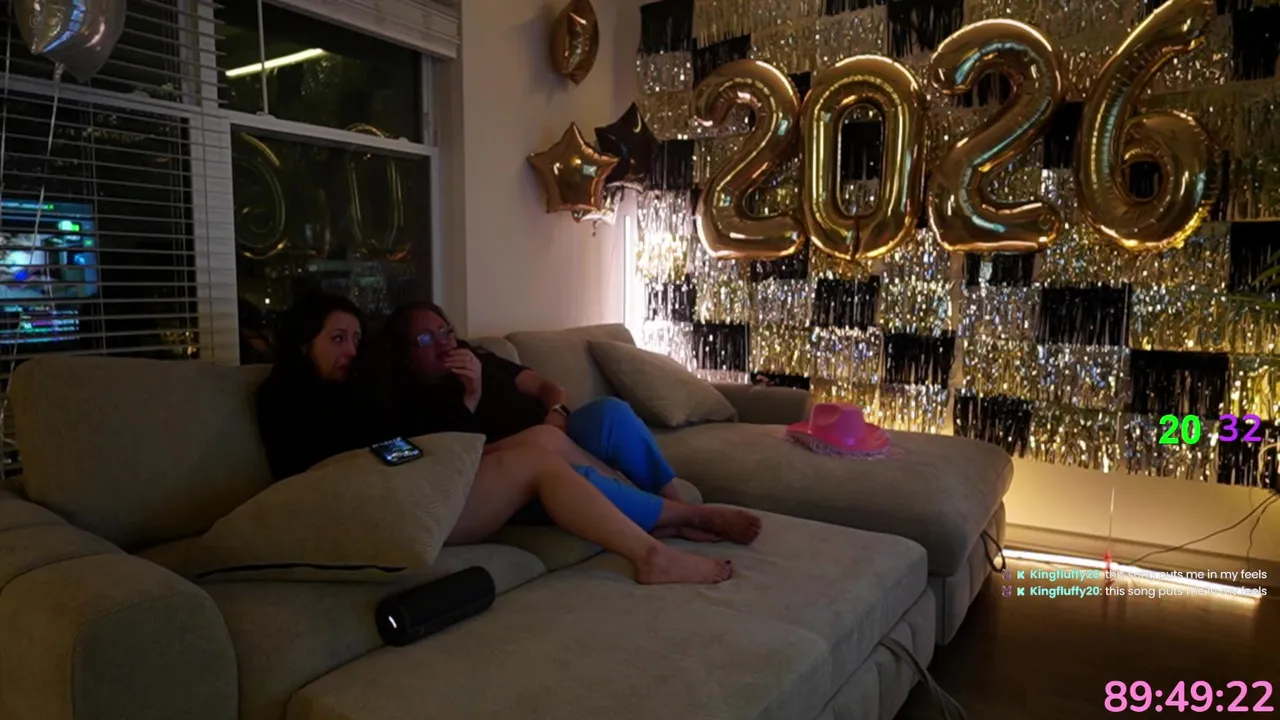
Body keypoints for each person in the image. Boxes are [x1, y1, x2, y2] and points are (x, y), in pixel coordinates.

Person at [255, 292, 734, 585]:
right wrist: (451, 420)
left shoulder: (359, 389)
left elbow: (392, 446)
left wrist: (413, 456)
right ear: (303, 343)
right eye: (338, 339)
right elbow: (324, 470)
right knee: (539, 456)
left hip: (421, 479)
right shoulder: (286, 397)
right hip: (394, 503)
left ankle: (663, 519)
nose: (351, 351)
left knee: (552, 441)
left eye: (356, 339)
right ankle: (656, 546)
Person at [364, 301, 762, 545]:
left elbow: (547, 387)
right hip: (524, 472)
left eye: (444, 331)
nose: (444, 344)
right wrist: (472, 395)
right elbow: (453, 461)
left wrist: (556, 414)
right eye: (426, 340)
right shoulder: (410, 400)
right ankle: (684, 518)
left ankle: (673, 503)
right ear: (405, 356)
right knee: (559, 462)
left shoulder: (480, 357)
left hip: (555, 434)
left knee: (610, 412)